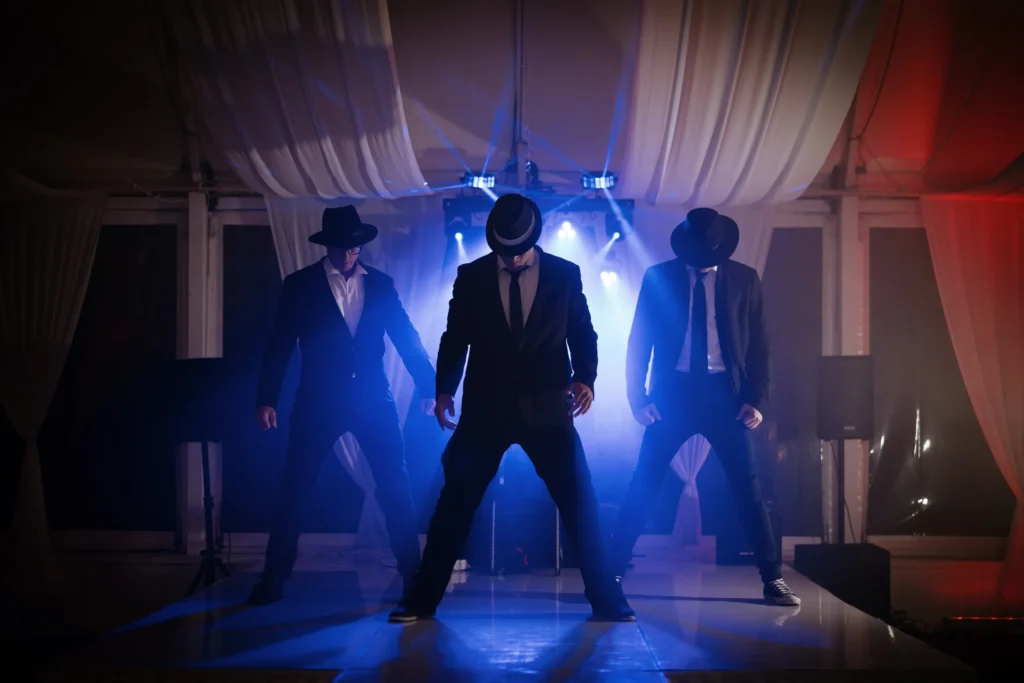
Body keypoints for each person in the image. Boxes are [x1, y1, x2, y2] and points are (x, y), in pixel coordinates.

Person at [389, 194, 634, 622]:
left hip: (549, 410)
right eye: (505, 251)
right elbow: (454, 337)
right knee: (453, 506)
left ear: (533, 240)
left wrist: (585, 379)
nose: (513, 258)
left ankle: (607, 600)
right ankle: (420, 599)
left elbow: (584, 333)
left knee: (581, 505)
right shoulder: (471, 276)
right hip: (485, 410)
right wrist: (445, 389)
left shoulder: (564, 274)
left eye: (518, 250)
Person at [610, 208, 800, 606]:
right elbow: (638, 341)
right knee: (643, 481)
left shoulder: (745, 278)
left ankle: (772, 579)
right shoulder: (659, 277)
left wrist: (757, 400)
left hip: (724, 395)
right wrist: (637, 398)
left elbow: (762, 344)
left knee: (747, 489)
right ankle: (610, 570)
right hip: (672, 393)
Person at [248, 205, 436, 606]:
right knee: (294, 491)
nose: (349, 254)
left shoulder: (381, 285)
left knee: (395, 487)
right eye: (342, 247)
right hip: (318, 401)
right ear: (327, 245)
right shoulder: (299, 285)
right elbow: (279, 346)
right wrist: (267, 398)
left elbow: (406, 337)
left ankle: (413, 577)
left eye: (355, 247)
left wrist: (429, 388)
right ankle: (273, 580)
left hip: (373, 399)